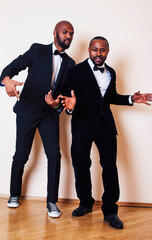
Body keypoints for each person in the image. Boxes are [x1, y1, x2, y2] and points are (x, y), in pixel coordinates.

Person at [45, 36, 152, 228]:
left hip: (105, 125)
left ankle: (111, 211)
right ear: (89, 50)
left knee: (110, 167)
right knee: (81, 165)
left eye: (102, 50)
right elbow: (66, 99)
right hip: (82, 125)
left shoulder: (111, 72)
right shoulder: (75, 71)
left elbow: (109, 97)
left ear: (107, 51)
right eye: (95, 49)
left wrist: (131, 98)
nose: (98, 53)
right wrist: (69, 107)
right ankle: (85, 202)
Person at [0, 20, 75, 218]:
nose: (68, 36)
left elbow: (64, 102)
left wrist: (56, 105)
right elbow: (11, 67)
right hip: (27, 110)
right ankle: (14, 194)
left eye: (71, 34)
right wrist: (6, 80)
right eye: (65, 32)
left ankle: (52, 202)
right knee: (21, 156)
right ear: (55, 33)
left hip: (49, 115)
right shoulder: (37, 50)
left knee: (55, 156)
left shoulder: (71, 64)